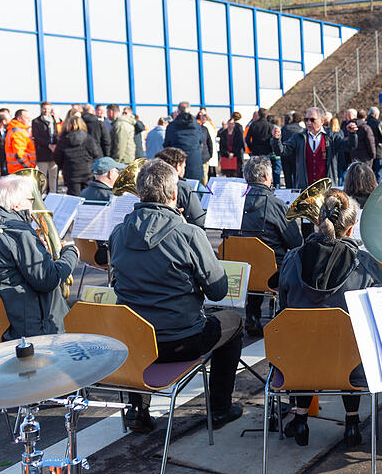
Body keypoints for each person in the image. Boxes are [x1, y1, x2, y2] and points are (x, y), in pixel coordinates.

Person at [110, 159, 244, 432]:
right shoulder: (189, 233)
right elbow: (217, 292)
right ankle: (220, 408)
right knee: (234, 322)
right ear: (174, 195)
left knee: (139, 318)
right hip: (180, 342)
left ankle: (138, 411)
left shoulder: (118, 232)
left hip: (135, 344)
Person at [277, 189, 382, 447]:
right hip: (352, 369)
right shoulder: (366, 263)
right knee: (351, 340)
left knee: (307, 336)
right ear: (351, 229)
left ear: (318, 221)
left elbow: (284, 309)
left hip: (297, 366)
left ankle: (300, 419)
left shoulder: (293, 258)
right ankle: (351, 424)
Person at [0, 175, 79, 340]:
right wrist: (70, 253)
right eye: (31, 200)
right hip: (23, 329)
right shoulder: (18, 233)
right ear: (17, 205)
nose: (33, 206)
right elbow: (48, 279)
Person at [224, 156, 302, 336]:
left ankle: (252, 315)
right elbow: (295, 242)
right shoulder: (276, 205)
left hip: (238, 270)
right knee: (291, 259)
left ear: (246, 176)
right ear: (267, 176)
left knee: (253, 258)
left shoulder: (232, 203)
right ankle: (286, 314)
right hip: (271, 273)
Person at [272, 107, 355, 190]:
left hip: (327, 189)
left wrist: (352, 134)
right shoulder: (299, 137)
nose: (308, 123)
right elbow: (282, 151)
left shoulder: (331, 136)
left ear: (322, 121)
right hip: (305, 189)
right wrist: (276, 139)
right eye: (306, 119)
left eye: (312, 120)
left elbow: (349, 146)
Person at [154, 148, 205, 229]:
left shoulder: (148, 184)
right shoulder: (183, 187)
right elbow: (198, 221)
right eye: (183, 166)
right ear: (178, 167)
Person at [55, 116, 103, 196]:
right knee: (87, 199)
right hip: (87, 173)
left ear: (69, 125)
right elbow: (96, 154)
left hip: (71, 174)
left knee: (73, 200)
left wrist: (63, 166)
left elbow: (57, 157)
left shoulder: (63, 140)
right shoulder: (88, 139)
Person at [163, 102, 205, 184]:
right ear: (189, 111)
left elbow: (166, 145)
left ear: (178, 111)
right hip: (195, 162)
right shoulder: (197, 125)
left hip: (177, 163)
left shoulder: (171, 126)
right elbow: (201, 140)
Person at [32, 101, 60, 193]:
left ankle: (53, 193)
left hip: (53, 153)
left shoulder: (53, 120)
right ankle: (42, 195)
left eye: (48, 109)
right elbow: (37, 137)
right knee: (42, 177)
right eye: (44, 108)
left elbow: (56, 134)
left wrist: (56, 145)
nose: (46, 111)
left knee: (53, 176)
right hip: (42, 153)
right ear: (41, 109)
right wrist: (48, 145)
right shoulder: (36, 121)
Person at [6, 109, 36, 174]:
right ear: (19, 119)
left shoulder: (20, 130)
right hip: (21, 170)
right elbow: (19, 154)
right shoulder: (18, 132)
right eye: (27, 118)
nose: (29, 120)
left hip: (20, 169)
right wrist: (29, 166)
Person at [366, 107, 382, 182]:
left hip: (367, 151)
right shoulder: (378, 123)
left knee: (369, 173)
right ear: (376, 114)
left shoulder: (365, 122)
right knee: (378, 173)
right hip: (379, 150)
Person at [227, 111, 245, 178]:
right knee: (239, 168)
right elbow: (241, 139)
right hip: (238, 150)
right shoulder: (239, 127)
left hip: (231, 149)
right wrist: (244, 147)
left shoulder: (230, 127)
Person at [0, 109, 11, 175]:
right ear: (4, 121)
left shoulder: (9, 131)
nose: (10, 122)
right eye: (9, 120)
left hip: (6, 161)